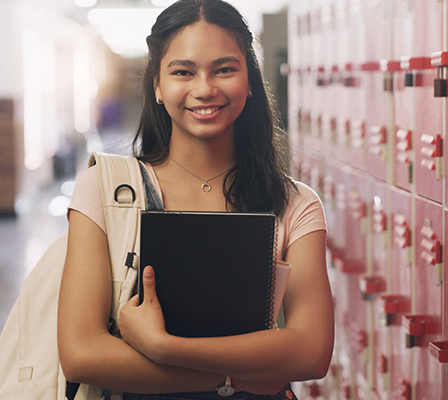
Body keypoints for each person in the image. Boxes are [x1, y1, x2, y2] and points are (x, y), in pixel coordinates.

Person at [57, 0, 334, 398]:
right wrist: (235, 380)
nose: (205, 89)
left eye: (224, 69)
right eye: (183, 72)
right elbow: (81, 354)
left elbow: (311, 352)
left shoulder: (294, 203)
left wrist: (163, 347)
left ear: (250, 81)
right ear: (156, 84)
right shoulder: (105, 189)